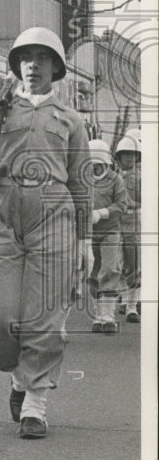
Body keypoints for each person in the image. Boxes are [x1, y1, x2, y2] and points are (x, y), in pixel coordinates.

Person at [0, 27, 91, 439]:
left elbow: (80, 183)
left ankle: (36, 402)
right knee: (1, 318)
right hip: (6, 216)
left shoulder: (71, 121)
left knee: (47, 317)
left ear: (56, 67)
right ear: (17, 65)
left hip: (55, 218)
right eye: (25, 57)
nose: (32, 65)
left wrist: (85, 240)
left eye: (41, 57)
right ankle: (18, 377)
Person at [85, 140, 128, 334]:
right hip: (88, 232)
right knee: (93, 273)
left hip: (110, 231)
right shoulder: (82, 179)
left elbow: (122, 205)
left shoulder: (115, 179)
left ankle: (108, 315)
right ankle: (98, 314)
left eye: (99, 162)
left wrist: (101, 213)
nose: (96, 167)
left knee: (110, 268)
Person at [113, 135, 141, 323]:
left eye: (132, 155)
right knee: (117, 264)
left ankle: (132, 306)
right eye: (125, 155)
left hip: (132, 220)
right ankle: (124, 298)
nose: (129, 158)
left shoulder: (141, 178)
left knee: (133, 263)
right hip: (115, 222)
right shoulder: (112, 177)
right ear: (119, 157)